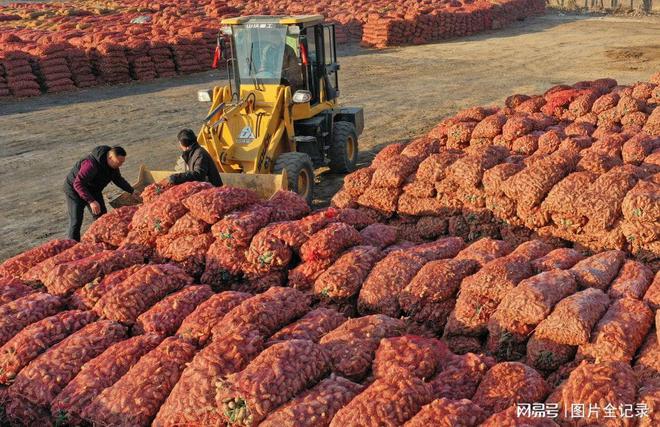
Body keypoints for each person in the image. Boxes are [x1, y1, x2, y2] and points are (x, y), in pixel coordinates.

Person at [64, 145, 134, 241]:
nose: (120, 165)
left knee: (101, 217)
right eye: (119, 162)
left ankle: (99, 241)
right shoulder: (91, 165)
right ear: (110, 158)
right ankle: (72, 246)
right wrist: (91, 201)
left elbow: (118, 180)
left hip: (93, 189)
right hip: (74, 189)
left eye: (122, 162)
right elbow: (78, 183)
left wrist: (132, 191)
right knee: (76, 220)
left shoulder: (113, 166)